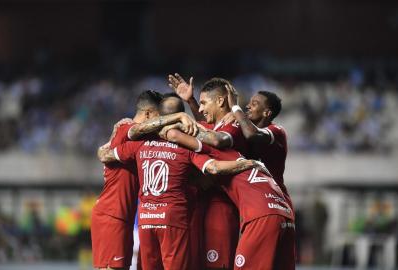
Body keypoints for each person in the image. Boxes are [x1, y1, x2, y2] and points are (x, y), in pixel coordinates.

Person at [97, 128, 268, 270]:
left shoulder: (139, 145)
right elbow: (214, 168)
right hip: (172, 218)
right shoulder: (185, 149)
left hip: (146, 219)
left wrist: (115, 133)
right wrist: (250, 163)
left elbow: (105, 155)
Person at [160, 125, 296, 270]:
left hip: (263, 214)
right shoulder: (236, 156)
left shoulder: (213, 151)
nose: (198, 184)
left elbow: (173, 134)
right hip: (285, 213)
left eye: (195, 177)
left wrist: (180, 118)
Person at [169, 74, 248, 269]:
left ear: (221, 101)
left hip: (221, 207)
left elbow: (216, 139)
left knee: (216, 264)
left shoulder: (236, 123)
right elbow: (207, 129)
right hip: (202, 204)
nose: (201, 108)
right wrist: (190, 101)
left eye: (204, 103)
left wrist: (179, 128)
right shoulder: (217, 125)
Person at [90, 90, 163, 270]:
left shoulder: (127, 135)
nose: (159, 122)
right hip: (112, 214)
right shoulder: (127, 129)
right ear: (148, 114)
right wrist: (178, 117)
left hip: (119, 215)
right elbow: (138, 128)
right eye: (158, 116)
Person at [225, 84, 293, 210]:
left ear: (266, 113)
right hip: (253, 201)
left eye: (254, 104)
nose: (247, 106)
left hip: (276, 202)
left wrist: (235, 107)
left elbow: (252, 134)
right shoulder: (242, 130)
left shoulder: (277, 131)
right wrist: (191, 101)